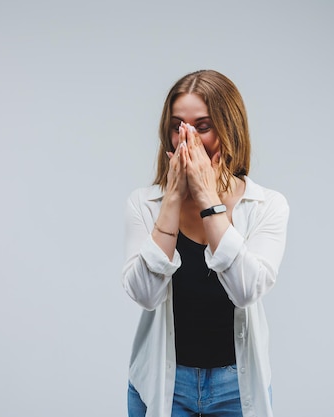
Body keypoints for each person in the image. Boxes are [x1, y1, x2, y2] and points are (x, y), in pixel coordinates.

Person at [122, 69, 289, 417]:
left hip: (236, 388)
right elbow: (143, 294)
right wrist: (172, 200)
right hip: (164, 384)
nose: (187, 139)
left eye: (202, 127)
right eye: (177, 126)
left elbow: (245, 290)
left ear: (229, 130)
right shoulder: (144, 203)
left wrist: (207, 199)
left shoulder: (266, 206)